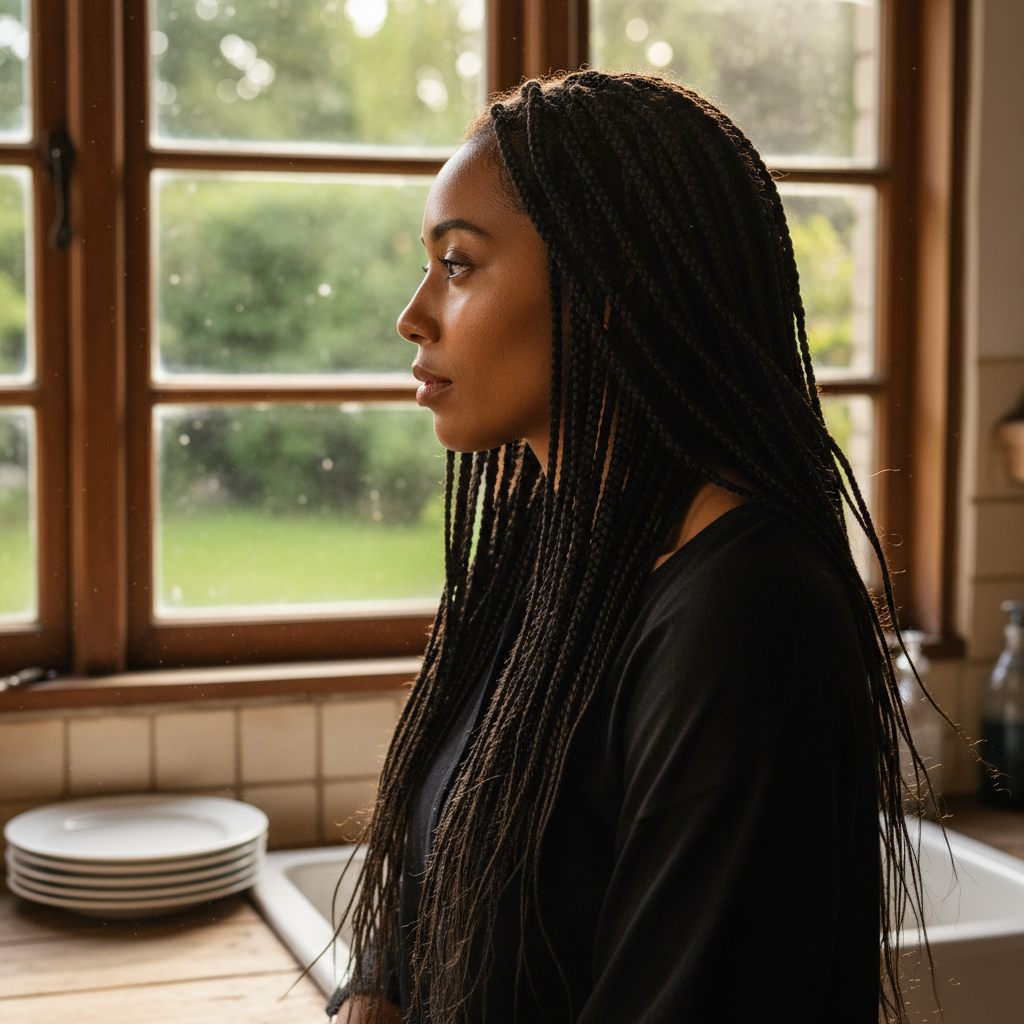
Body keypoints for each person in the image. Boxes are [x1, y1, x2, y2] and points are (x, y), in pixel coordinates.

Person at [328, 71, 926, 1023]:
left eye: (460, 265)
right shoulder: (553, 548)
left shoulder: (748, 620)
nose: (415, 314)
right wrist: (373, 989)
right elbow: (433, 877)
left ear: (607, 288)